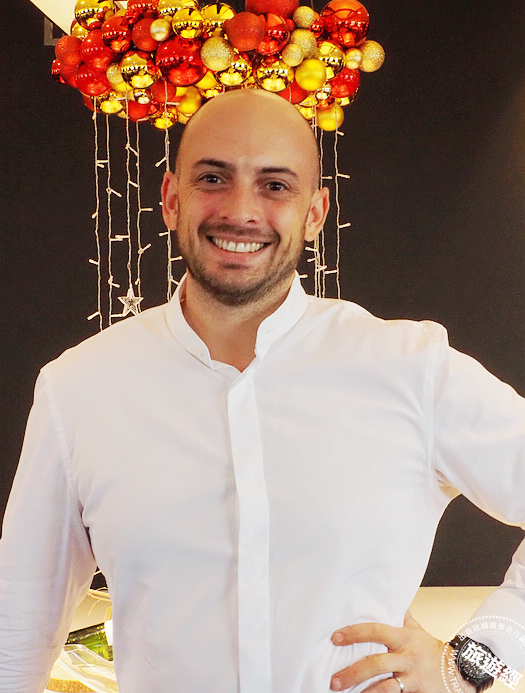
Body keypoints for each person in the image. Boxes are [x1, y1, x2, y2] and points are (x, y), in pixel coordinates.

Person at [0, 88, 523, 693]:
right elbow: (18, 624)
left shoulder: (410, 369)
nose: (240, 210)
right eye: (213, 178)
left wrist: (476, 662)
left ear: (315, 213)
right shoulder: (78, 388)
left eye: (274, 185)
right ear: (171, 199)